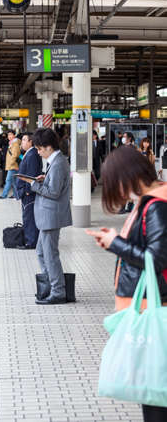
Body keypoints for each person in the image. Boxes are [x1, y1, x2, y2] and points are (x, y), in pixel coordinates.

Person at [86, 146, 167, 422]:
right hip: (148, 306)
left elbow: (156, 259)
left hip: (154, 310)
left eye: (115, 184)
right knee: (154, 390)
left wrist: (116, 244)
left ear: (128, 175)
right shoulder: (151, 201)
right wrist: (115, 243)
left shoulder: (157, 205)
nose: (118, 193)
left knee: (156, 392)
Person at [18, 128, 72, 304]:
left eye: (40, 149)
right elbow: (53, 185)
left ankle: (58, 292)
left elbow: (54, 192)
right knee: (42, 252)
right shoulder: (55, 162)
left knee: (50, 255)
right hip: (47, 216)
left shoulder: (57, 163)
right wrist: (43, 179)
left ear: (48, 147)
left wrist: (34, 184)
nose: (38, 152)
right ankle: (50, 286)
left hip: (51, 216)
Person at [16, 132, 42, 249]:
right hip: (26, 192)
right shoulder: (29, 154)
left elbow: (31, 174)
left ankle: (31, 242)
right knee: (28, 216)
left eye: (25, 140)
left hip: (28, 193)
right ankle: (31, 240)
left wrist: (27, 190)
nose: (22, 142)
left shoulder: (32, 155)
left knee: (29, 217)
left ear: (31, 141)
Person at [0, 129, 21, 199]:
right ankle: (15, 194)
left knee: (8, 180)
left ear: (14, 135)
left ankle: (4, 195)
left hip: (13, 165)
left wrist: (11, 164)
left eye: (11, 134)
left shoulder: (15, 143)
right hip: (13, 165)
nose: (9, 136)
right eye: (8, 135)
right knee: (14, 181)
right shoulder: (11, 143)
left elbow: (15, 155)